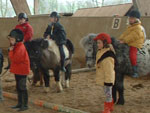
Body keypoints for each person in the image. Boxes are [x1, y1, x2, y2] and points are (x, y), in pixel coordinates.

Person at [8, 29, 30, 111]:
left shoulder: (20, 47)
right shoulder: (16, 46)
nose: (10, 41)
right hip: (18, 70)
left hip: (22, 71)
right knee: (18, 87)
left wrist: (10, 51)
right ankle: (20, 103)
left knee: (22, 87)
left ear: (17, 39)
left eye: (12, 39)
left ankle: (25, 105)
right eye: (10, 39)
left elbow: (15, 59)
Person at [93, 33, 115, 113]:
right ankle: (110, 106)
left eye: (99, 43)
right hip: (104, 77)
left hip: (107, 79)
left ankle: (107, 109)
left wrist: (108, 82)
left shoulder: (107, 57)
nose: (97, 44)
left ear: (105, 43)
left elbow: (109, 71)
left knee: (108, 94)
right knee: (107, 93)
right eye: (97, 43)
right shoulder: (101, 52)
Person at [119, 10, 145, 77]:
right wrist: (120, 39)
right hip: (129, 42)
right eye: (130, 18)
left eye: (132, 18)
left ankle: (135, 71)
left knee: (132, 54)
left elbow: (132, 36)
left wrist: (124, 40)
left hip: (135, 44)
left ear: (136, 19)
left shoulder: (138, 28)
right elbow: (125, 34)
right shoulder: (130, 27)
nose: (130, 20)